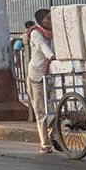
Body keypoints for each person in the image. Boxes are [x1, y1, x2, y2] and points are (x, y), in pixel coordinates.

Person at [26, 8, 57, 152]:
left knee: (54, 107)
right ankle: (45, 143)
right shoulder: (35, 33)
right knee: (41, 110)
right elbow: (42, 46)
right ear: (41, 21)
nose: (50, 21)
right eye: (48, 19)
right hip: (37, 76)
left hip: (51, 74)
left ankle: (55, 136)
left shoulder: (55, 33)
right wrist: (52, 57)